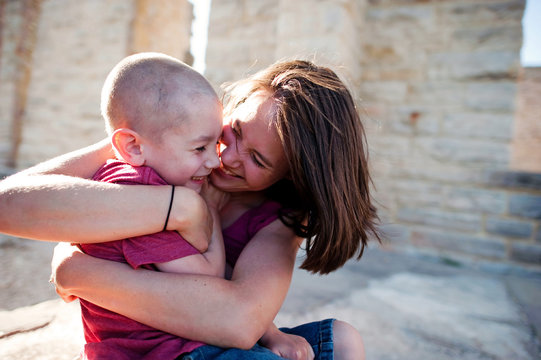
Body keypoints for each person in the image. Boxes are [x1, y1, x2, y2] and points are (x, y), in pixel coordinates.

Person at [0, 59, 380, 360]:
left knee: (341, 341)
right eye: (236, 131)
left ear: (288, 176)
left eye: (258, 160)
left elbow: (239, 321)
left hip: (201, 340)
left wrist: (81, 273)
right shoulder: (164, 151)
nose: (225, 157)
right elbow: (8, 203)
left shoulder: (278, 219)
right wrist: (179, 207)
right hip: (154, 350)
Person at [73, 52, 226, 359]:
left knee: (333, 337)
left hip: (171, 343)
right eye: (200, 147)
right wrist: (210, 207)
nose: (213, 161)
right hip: (160, 352)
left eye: (217, 145)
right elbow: (210, 279)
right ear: (133, 147)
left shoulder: (124, 176)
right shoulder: (138, 191)